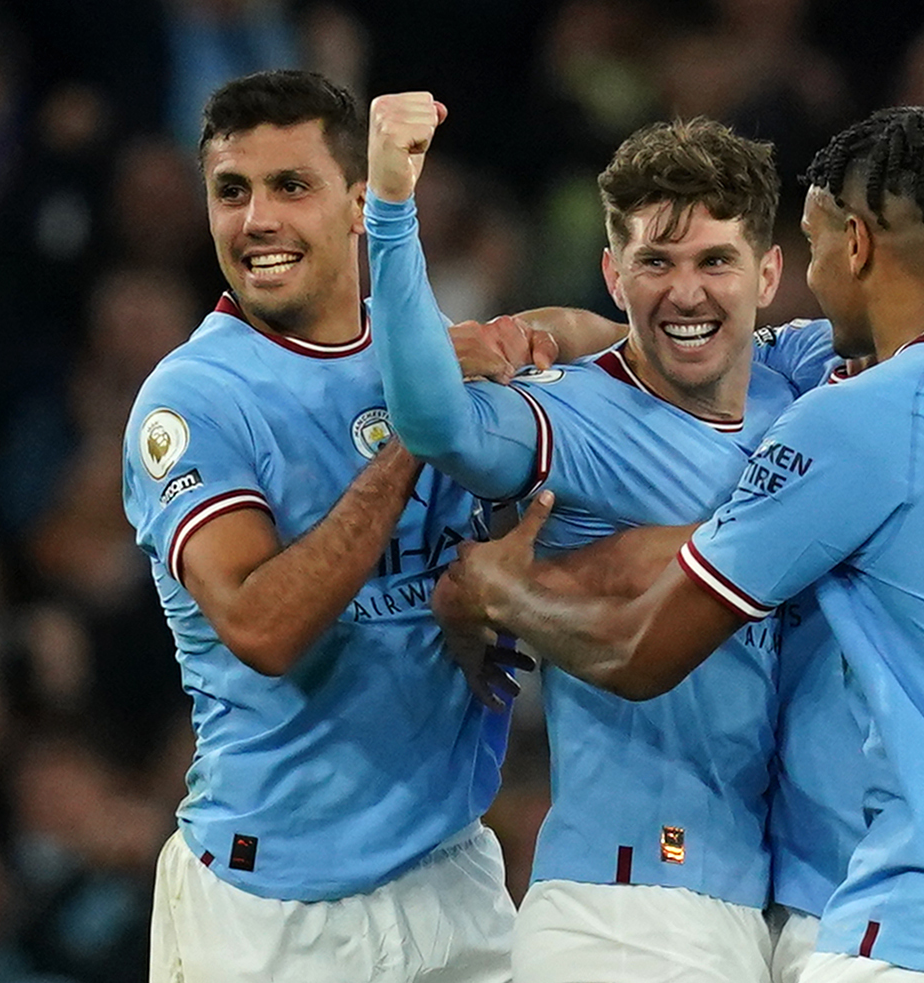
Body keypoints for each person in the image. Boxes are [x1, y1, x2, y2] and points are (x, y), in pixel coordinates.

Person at [435, 105, 924, 983]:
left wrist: (498, 593)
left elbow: (640, 655)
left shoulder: (856, 418)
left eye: (812, 248)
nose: (809, 280)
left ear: (854, 244)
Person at [121, 69, 618, 983]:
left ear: (360, 203)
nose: (257, 220)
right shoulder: (195, 399)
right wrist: (415, 433)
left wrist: (491, 591)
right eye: (232, 192)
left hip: (453, 881)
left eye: (290, 187)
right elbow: (264, 628)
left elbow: (605, 367)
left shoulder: (421, 343)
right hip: (272, 916)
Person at [365, 92, 852, 982]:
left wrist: (552, 324)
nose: (688, 291)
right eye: (655, 263)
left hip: (757, 903)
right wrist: (392, 209)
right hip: (623, 904)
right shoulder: (578, 412)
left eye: (716, 260)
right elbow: (436, 421)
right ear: (614, 271)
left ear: (770, 273)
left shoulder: (800, 384)